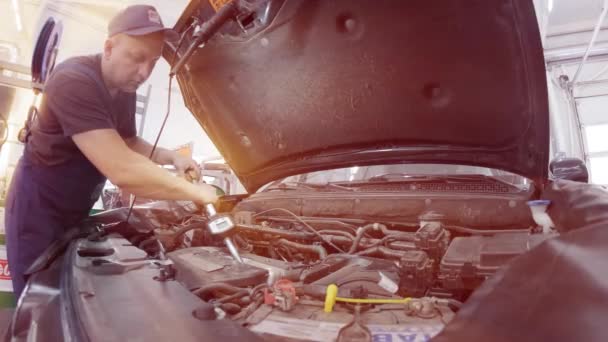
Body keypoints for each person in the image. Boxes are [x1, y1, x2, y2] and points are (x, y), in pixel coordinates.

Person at [5, 5, 218, 298]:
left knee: (70, 294)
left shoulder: (124, 89)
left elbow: (128, 142)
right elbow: (122, 170)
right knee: (40, 303)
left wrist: (173, 157)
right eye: (136, 58)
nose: (144, 72)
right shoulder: (74, 80)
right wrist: (195, 192)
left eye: (153, 62)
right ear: (108, 47)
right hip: (39, 214)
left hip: (74, 210)